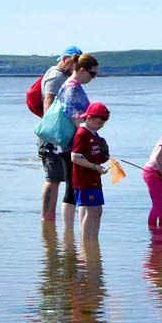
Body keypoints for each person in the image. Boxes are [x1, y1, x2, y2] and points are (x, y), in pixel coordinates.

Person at [53, 54, 100, 225]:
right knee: (73, 187)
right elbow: (75, 116)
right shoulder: (72, 88)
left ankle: (72, 232)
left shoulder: (73, 86)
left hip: (73, 142)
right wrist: (88, 135)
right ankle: (69, 232)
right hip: (73, 143)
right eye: (92, 74)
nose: (93, 78)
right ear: (81, 70)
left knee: (74, 186)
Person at [37, 46, 82, 222]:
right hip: (52, 137)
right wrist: (53, 136)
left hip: (58, 136)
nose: (75, 67)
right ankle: (47, 220)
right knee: (52, 178)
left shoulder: (62, 76)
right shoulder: (56, 77)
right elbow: (48, 103)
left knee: (58, 178)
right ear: (65, 59)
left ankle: (50, 222)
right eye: (74, 62)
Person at [69, 101, 111, 243]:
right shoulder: (82, 133)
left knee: (98, 212)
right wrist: (94, 167)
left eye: (103, 124)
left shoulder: (94, 134)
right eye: (99, 123)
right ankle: (86, 241)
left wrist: (101, 163)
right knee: (91, 211)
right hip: (84, 180)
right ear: (89, 118)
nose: (101, 126)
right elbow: (74, 157)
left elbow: (96, 155)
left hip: (94, 178)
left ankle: (94, 242)